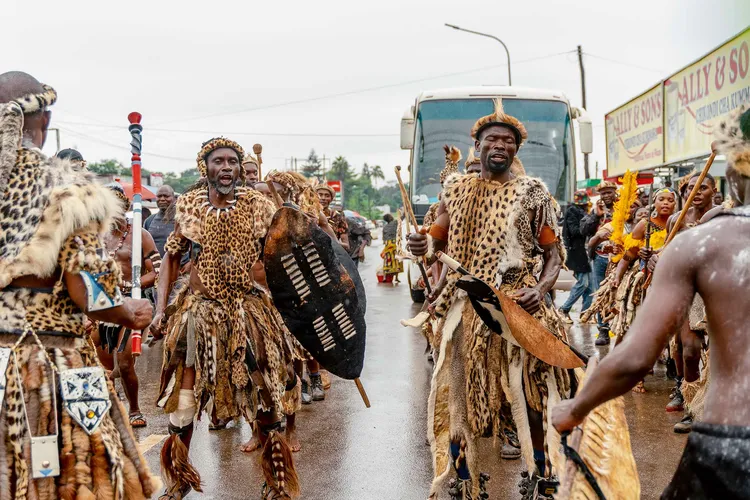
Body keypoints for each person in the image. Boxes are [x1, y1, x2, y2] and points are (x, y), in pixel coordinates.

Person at [552, 113, 750, 499]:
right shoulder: (688, 234)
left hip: (733, 443)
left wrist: (576, 408)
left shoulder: (704, 243)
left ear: (735, 170)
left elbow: (635, 359)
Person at [0, 71, 159, 497]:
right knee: (77, 478)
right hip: (46, 363)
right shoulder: (66, 189)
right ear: (45, 120)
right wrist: (132, 312)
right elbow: (88, 292)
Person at [408, 100, 569, 498]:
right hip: (464, 308)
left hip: (516, 305)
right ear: (476, 145)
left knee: (529, 394)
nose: (500, 145)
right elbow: (436, 240)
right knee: (461, 396)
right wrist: (421, 243)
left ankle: (541, 472)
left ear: (517, 149)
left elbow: (553, 255)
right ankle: (465, 477)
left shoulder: (533, 194)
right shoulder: (455, 190)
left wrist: (541, 288)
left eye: (508, 140)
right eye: (491, 139)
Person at [150, 138, 298, 500]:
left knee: (264, 396)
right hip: (200, 311)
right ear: (207, 168)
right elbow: (170, 258)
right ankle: (179, 478)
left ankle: (277, 479)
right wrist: (160, 308)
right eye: (219, 161)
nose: (228, 167)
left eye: (233, 161)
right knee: (184, 400)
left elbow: (287, 257)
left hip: (248, 310)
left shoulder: (259, 207)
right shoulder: (190, 208)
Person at [89, 184, 159, 429]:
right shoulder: (96, 236)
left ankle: (135, 409)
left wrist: (132, 284)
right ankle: (111, 404)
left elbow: (157, 272)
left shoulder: (141, 235)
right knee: (106, 367)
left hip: (133, 306)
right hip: (104, 306)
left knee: (126, 363)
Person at [662, 172, 716, 432]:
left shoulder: (724, 216)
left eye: (702, 188)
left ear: (714, 192)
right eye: (689, 189)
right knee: (690, 350)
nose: (695, 193)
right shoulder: (676, 219)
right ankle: (691, 406)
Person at [580, 181, 618, 345]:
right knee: (600, 294)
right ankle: (603, 330)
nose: (606, 196)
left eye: (609, 192)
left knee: (619, 293)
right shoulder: (595, 212)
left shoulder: (624, 207)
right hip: (599, 258)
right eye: (603, 193)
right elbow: (583, 230)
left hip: (618, 258)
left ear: (615, 193)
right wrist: (596, 215)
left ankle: (622, 328)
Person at [558, 190, 593, 323]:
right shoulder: (573, 211)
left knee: (590, 287)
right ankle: (564, 309)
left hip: (583, 253)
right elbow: (575, 231)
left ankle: (586, 314)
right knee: (583, 283)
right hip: (575, 253)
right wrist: (587, 224)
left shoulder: (582, 212)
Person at [144, 184, 177, 256]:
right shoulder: (149, 221)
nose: (162, 199)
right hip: (154, 265)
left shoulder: (182, 219)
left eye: (166, 196)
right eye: (159, 196)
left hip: (179, 265)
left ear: (174, 198)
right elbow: (144, 246)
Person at [315, 184, 349, 251]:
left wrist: (335, 243)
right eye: (320, 195)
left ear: (331, 199)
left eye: (327, 196)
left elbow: (346, 245)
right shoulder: (307, 215)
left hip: (332, 254)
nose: (323, 198)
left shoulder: (338, 216)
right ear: (314, 197)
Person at [380, 213, 403, 282]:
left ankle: (384, 277)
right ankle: (396, 278)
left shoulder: (385, 227)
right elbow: (402, 217)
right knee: (396, 260)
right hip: (394, 243)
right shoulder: (395, 223)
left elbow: (383, 240)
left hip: (387, 245)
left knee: (387, 260)